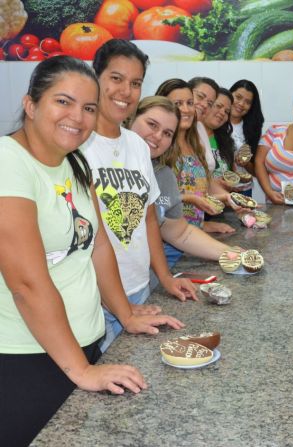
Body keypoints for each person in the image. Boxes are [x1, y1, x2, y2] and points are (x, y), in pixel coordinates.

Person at [0, 56, 183, 446]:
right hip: (26, 356)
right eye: (62, 102)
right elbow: (27, 284)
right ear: (31, 104)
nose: (78, 117)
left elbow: (98, 244)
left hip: (82, 345)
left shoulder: (74, 163)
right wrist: (82, 370)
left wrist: (126, 314)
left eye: (87, 107)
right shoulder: (8, 162)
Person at [82, 40, 196, 351]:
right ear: (96, 77)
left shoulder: (135, 145)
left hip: (139, 289)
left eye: (135, 83)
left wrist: (166, 278)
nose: (126, 91)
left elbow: (148, 220)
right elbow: (94, 237)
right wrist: (120, 308)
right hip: (97, 299)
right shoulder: (78, 144)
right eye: (116, 78)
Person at [126, 96, 236, 267]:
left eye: (167, 133)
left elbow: (180, 233)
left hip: (143, 282)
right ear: (132, 118)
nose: (157, 136)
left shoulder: (163, 175)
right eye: (152, 124)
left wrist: (228, 252)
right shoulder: (101, 160)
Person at [155, 78, 230, 233]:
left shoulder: (195, 141)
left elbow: (202, 186)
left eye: (190, 103)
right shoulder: (157, 144)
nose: (187, 109)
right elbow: (155, 200)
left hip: (193, 234)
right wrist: (189, 198)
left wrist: (203, 225)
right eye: (178, 104)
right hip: (166, 236)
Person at [230, 79, 265, 197]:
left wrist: (245, 163)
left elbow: (256, 171)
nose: (241, 104)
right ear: (229, 95)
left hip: (243, 190)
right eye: (238, 97)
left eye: (247, 102)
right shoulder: (216, 121)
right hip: (217, 188)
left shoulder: (252, 128)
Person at [189, 76, 219, 173]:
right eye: (200, 97)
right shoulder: (170, 128)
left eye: (210, 103)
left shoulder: (200, 128)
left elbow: (207, 174)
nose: (205, 105)